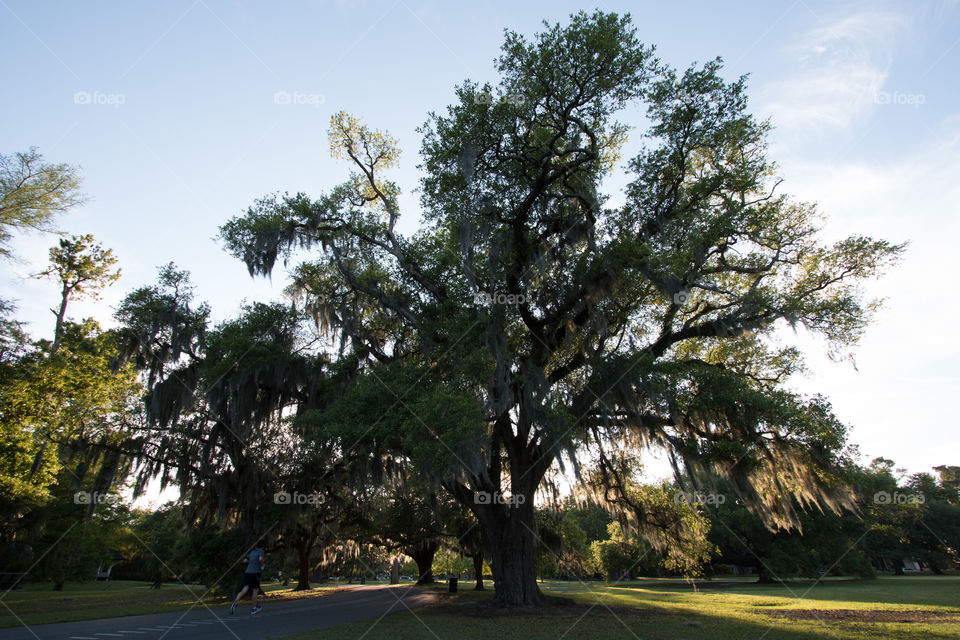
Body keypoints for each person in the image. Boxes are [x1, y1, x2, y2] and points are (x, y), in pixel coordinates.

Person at [230, 540, 266, 615]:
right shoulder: (261, 551)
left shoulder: (252, 552)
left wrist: (251, 563)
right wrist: (262, 566)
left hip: (247, 572)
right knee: (255, 590)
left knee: (245, 588)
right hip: (255, 573)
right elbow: (260, 559)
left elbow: (245, 561)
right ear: (262, 546)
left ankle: (235, 602)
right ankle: (254, 608)